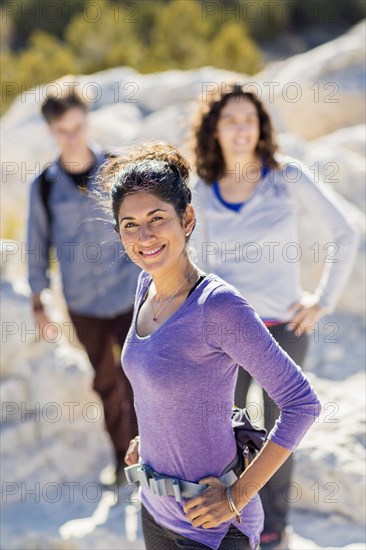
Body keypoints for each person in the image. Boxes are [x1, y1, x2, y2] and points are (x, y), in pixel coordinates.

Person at [101, 142, 322, 550]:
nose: (144, 236)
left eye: (157, 218)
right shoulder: (145, 284)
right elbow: (162, 382)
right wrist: (151, 438)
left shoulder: (218, 306)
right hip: (154, 511)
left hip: (214, 528)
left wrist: (237, 497)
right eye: (129, 224)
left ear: (186, 218)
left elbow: (302, 405)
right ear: (118, 233)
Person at [189, 83, 359, 548]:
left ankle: (273, 529)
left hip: (284, 328)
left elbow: (345, 232)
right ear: (215, 129)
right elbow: (195, 266)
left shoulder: (288, 176)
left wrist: (322, 299)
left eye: (250, 119)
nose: (241, 129)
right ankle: (230, 519)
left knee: (284, 429)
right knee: (226, 431)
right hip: (225, 334)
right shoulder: (201, 191)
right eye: (231, 120)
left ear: (262, 126)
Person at [26, 85, 141, 485]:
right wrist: (38, 300)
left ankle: (155, 456)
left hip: (130, 293)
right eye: (63, 130)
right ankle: (122, 461)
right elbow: (36, 245)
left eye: (77, 126)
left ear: (87, 120)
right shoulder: (42, 187)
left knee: (141, 376)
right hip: (82, 301)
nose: (72, 136)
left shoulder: (118, 169)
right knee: (106, 381)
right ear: (51, 131)